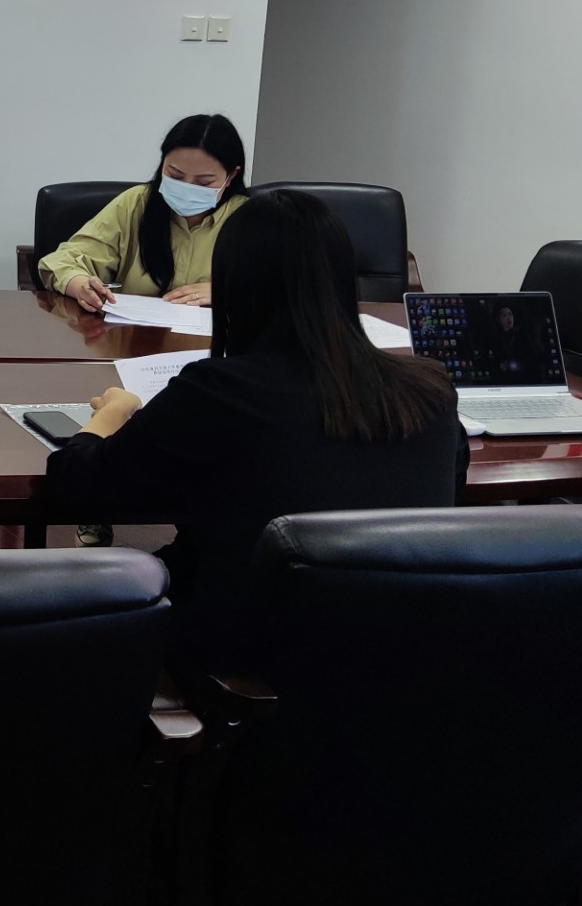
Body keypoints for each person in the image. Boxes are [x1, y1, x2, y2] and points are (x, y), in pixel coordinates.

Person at [41, 189, 467, 674]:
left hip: (250, 655)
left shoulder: (220, 391)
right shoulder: (430, 390)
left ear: (234, 284)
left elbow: (78, 489)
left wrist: (108, 418)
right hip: (403, 650)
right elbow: (447, 485)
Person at [37, 113, 248, 312]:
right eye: (175, 176)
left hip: (218, 337)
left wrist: (228, 292)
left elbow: (267, 289)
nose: (187, 187)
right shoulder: (136, 203)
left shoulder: (248, 217)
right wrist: (81, 286)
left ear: (231, 176)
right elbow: (61, 262)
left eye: (203, 183)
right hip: (133, 334)